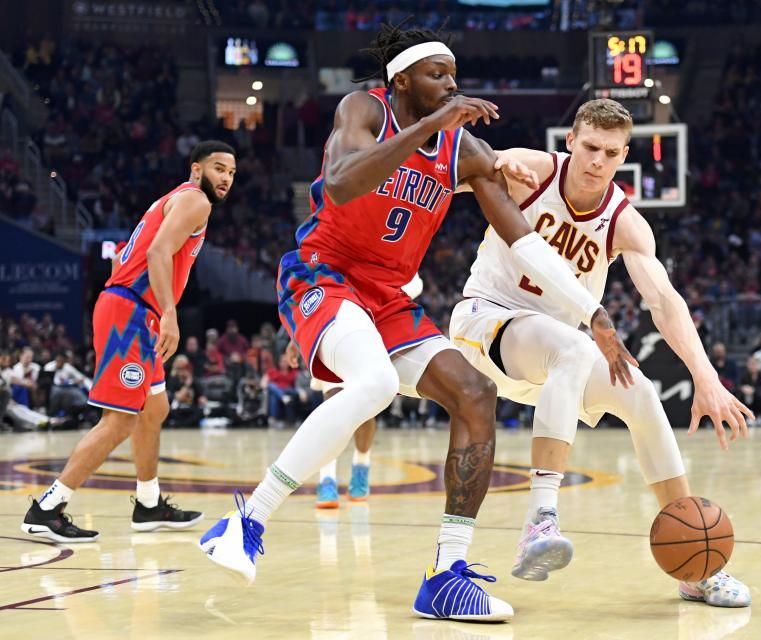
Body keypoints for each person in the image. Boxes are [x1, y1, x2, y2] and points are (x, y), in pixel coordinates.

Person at [199, 22, 632, 623]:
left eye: (455, 75)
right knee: (373, 385)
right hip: (322, 274)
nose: (452, 85)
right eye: (438, 74)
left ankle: (446, 576)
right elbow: (343, 183)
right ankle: (246, 521)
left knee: (475, 394)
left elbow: (525, 241)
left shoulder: (468, 152)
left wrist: (595, 313)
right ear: (401, 79)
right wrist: (430, 126)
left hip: (389, 297)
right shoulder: (364, 110)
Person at [450, 98, 753, 607]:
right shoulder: (535, 172)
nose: (597, 160)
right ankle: (539, 521)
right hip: (486, 324)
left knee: (642, 395)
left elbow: (663, 300)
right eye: (589, 147)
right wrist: (483, 161)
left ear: (623, 156)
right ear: (570, 142)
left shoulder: (625, 222)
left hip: (553, 357)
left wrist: (705, 376)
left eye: (611, 153)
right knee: (572, 344)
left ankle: (694, 564)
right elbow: (442, 176)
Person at [21, 141, 236, 542]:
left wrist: (135, 285)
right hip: (132, 314)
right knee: (120, 419)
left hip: (133, 309)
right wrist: (169, 313)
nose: (226, 178)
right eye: (219, 168)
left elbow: (129, 251)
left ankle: (148, 503)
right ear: (196, 169)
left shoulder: (171, 199)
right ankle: (47, 507)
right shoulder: (195, 201)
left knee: (155, 408)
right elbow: (157, 253)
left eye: (232, 173)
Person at [314, 273, 423, 508]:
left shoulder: (392, 252)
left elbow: (414, 283)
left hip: (374, 331)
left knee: (366, 409)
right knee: (331, 405)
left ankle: (361, 466)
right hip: (334, 324)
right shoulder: (335, 244)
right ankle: (327, 478)